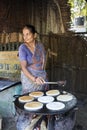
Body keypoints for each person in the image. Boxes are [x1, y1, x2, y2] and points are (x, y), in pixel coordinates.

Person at [16, 24, 49, 130]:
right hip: (29, 80)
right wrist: (34, 79)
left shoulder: (40, 46)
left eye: (28, 34)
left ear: (34, 35)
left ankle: (39, 122)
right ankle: (28, 124)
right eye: (23, 35)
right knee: (29, 101)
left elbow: (43, 63)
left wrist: (43, 74)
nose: (25, 37)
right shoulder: (23, 48)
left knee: (41, 101)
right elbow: (23, 68)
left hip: (41, 79)